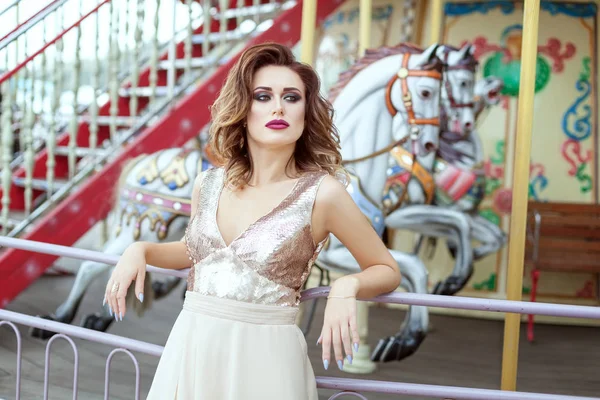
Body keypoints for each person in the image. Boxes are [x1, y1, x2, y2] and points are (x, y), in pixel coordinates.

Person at [103, 42, 401, 399]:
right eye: (263, 96)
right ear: (243, 109)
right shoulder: (209, 183)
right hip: (192, 347)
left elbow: (386, 269)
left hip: (266, 362)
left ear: (306, 112)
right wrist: (141, 250)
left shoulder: (323, 193)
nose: (278, 107)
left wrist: (346, 287)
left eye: (292, 97)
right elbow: (197, 253)